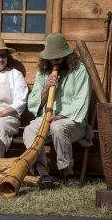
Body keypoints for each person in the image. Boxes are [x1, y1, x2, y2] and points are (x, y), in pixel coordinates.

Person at [23, 33, 93, 189]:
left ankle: (67, 173)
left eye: (58, 57)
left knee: (58, 127)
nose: (55, 61)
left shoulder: (79, 70)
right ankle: (43, 174)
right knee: (29, 130)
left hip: (72, 121)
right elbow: (33, 102)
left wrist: (61, 115)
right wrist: (46, 88)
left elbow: (82, 100)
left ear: (67, 55)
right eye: (52, 58)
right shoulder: (43, 72)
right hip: (46, 119)